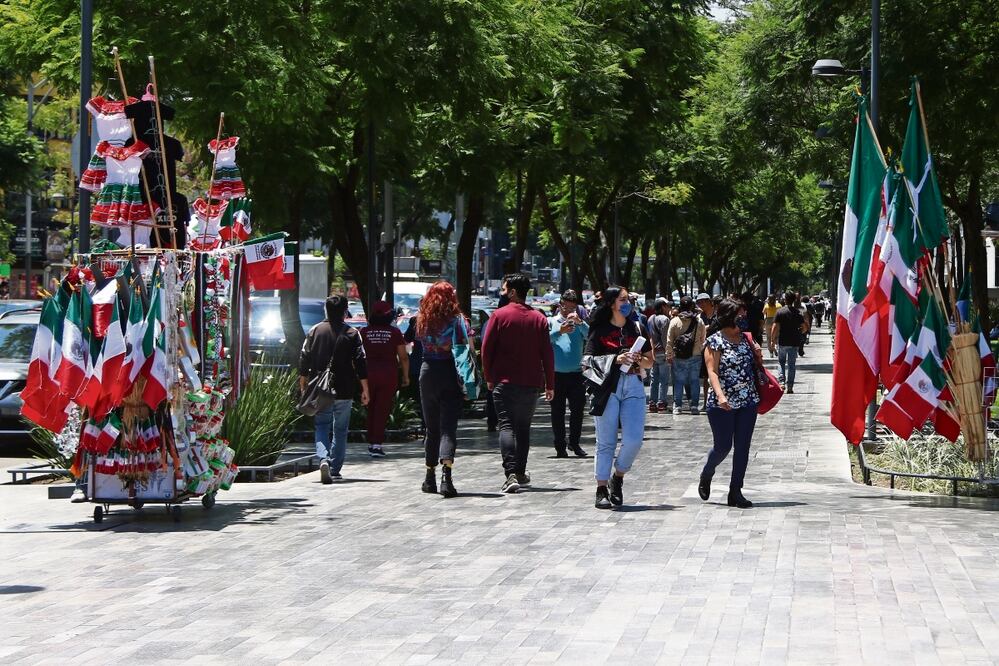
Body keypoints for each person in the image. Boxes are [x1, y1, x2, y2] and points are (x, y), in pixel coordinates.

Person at [482, 273, 554, 493]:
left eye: (504, 289)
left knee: (506, 426)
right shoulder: (539, 318)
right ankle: (520, 472)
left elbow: (486, 349)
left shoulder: (499, 315)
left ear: (513, 291)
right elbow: (547, 353)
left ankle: (511, 473)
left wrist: (489, 377)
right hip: (531, 383)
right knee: (523, 429)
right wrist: (550, 383)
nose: (502, 293)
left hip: (504, 382)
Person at [584, 286, 654, 509]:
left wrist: (637, 359)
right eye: (623, 299)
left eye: (629, 299)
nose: (628, 303)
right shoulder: (599, 330)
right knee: (606, 442)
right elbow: (587, 361)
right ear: (612, 302)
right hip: (608, 388)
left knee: (634, 440)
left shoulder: (638, 327)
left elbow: (650, 361)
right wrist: (616, 358)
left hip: (633, 385)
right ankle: (601, 487)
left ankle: (619, 477)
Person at [698, 297, 762, 509]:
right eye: (739, 315)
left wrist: (759, 355)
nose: (743, 317)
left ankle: (735, 491)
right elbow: (712, 372)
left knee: (743, 447)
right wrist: (721, 395)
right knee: (723, 447)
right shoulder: (714, 341)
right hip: (721, 403)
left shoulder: (746, 339)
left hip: (748, 401)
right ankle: (707, 472)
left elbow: (755, 368)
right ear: (728, 317)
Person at [299, 296, 369, 484]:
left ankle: (323, 459)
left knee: (321, 426)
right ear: (345, 311)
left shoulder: (315, 331)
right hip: (345, 388)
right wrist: (365, 389)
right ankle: (334, 468)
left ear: (326, 311)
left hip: (321, 389)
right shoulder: (353, 333)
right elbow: (361, 362)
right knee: (340, 429)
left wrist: (303, 383)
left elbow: (304, 358)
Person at [414, 281, 470, 498]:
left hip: (427, 372)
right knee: (448, 428)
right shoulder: (457, 321)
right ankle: (447, 478)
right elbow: (463, 348)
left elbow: (419, 341)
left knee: (432, 428)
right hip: (449, 372)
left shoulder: (421, 319)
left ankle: (429, 477)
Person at [361, 301, 409, 458]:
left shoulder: (364, 332)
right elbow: (403, 357)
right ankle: (376, 444)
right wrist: (406, 376)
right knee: (382, 408)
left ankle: (370, 441)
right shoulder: (394, 333)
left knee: (370, 407)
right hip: (388, 374)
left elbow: (358, 355)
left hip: (368, 374)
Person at [549, 289, 589, 458]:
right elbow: (544, 340)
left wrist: (580, 323)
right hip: (557, 374)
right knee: (557, 412)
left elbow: (590, 336)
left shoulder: (579, 323)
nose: (570, 311)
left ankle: (575, 443)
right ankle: (560, 445)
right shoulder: (551, 321)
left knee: (578, 411)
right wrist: (560, 331)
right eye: (567, 308)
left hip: (576, 374)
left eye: (573, 308)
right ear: (561, 305)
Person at [667, 296, 707, 415]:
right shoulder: (698, 321)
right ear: (692, 306)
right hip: (695, 355)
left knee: (678, 381)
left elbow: (669, 340)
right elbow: (703, 338)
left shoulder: (674, 321)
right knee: (694, 381)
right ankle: (694, 406)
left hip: (678, 356)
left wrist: (669, 354)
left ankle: (677, 406)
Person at [770, 291, 805, 394]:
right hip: (794, 342)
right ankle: (790, 387)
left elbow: (775, 326)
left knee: (781, 362)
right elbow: (804, 327)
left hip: (783, 341)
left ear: (784, 299)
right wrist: (800, 332)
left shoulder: (780, 312)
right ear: (794, 300)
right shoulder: (798, 312)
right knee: (791, 365)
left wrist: (772, 340)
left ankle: (781, 382)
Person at [646, 297, 672, 413]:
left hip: (653, 352)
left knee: (654, 379)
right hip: (663, 352)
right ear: (662, 307)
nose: (669, 308)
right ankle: (661, 403)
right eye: (667, 306)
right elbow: (665, 338)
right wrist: (669, 353)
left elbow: (650, 337)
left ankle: (652, 402)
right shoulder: (665, 319)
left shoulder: (650, 318)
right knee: (664, 379)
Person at [696, 293, 717, 411]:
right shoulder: (700, 317)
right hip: (705, 349)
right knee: (706, 377)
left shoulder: (718, 315)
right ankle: (706, 402)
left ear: (709, 301)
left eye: (703, 301)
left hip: (718, 349)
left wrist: (705, 328)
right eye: (699, 302)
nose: (701, 304)